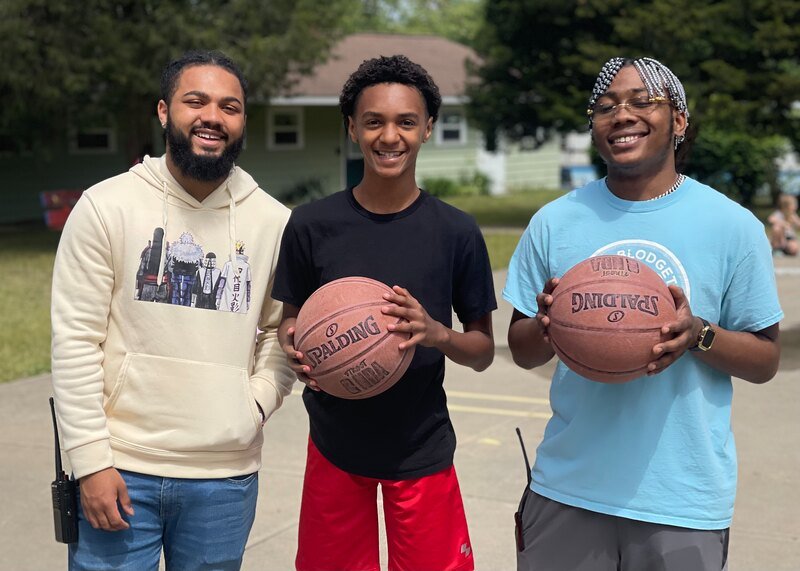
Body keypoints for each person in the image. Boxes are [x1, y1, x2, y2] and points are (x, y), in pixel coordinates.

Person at [504, 57, 783, 571]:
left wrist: (699, 334)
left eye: (641, 101)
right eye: (606, 107)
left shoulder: (732, 226)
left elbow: (765, 360)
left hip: (682, 501)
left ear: (678, 120)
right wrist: (549, 328)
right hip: (568, 489)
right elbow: (520, 348)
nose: (621, 114)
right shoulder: (555, 221)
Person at [50, 50, 295, 570]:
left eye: (230, 106)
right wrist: (90, 461)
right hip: (120, 467)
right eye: (195, 101)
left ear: (243, 121)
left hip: (225, 478)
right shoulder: (105, 206)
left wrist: (253, 405)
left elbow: (280, 331)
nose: (213, 116)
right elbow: (75, 341)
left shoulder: (275, 222)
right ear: (164, 112)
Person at [271, 55, 497, 571]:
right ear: (352, 128)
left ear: (428, 129)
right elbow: (291, 320)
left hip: (420, 449)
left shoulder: (456, 232)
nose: (388, 135)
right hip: (334, 445)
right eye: (373, 121)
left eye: (405, 122)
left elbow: (482, 351)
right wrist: (293, 341)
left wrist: (437, 333)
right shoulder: (310, 225)